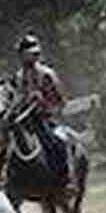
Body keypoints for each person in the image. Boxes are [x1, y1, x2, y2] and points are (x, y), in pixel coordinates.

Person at [14, 34, 77, 183]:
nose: (33, 57)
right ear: (22, 55)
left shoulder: (47, 75)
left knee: (60, 142)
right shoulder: (19, 77)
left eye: (35, 54)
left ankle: (66, 178)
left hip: (47, 120)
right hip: (26, 122)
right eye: (29, 54)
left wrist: (44, 106)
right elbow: (18, 100)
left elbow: (61, 102)